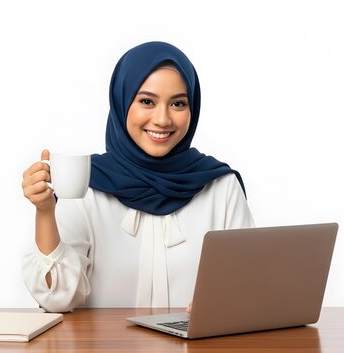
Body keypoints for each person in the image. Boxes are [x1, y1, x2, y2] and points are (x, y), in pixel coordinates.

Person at [21, 41, 255, 313]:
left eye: (178, 103)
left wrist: (227, 304)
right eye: (147, 101)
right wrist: (45, 211)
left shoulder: (220, 187)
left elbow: (248, 287)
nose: (163, 119)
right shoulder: (87, 183)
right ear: (122, 103)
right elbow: (57, 299)